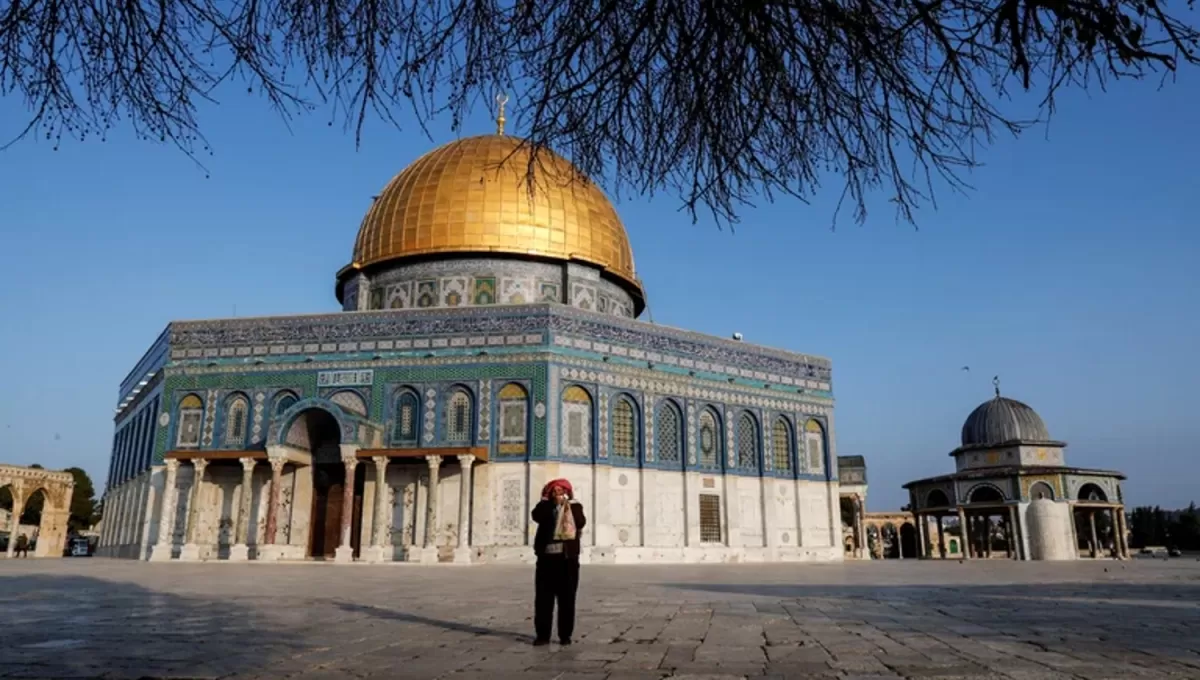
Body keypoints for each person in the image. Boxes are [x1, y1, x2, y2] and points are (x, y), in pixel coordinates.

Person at [531, 478, 586, 646]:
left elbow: (580, 522)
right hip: (547, 560)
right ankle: (542, 635)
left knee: (567, 599)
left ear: (566, 492)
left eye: (560, 491)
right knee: (543, 600)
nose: (557, 494)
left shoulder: (575, 507)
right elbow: (536, 516)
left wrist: (567, 506)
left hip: (567, 560)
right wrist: (547, 502)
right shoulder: (544, 508)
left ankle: (565, 635)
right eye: (554, 491)